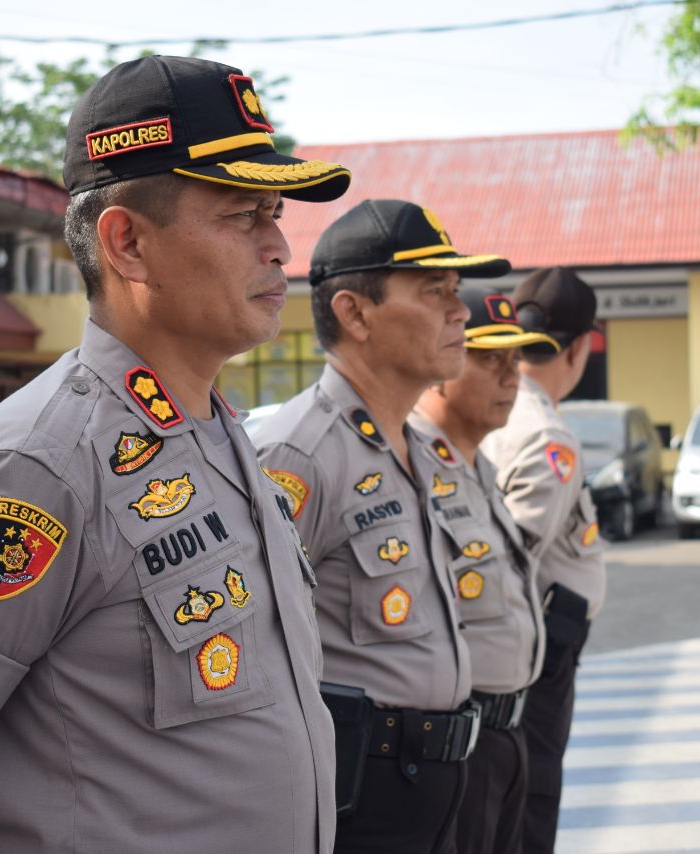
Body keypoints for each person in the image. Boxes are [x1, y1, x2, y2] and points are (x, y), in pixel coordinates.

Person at [0, 55, 352, 854]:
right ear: (127, 242)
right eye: (244, 215)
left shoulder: (220, 433)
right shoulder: (40, 465)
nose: (279, 246)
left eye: (276, 215)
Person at [253, 199, 509, 854]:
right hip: (365, 791)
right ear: (355, 313)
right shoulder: (300, 453)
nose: (461, 311)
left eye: (457, 291)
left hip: (442, 774)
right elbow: (257, 652)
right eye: (435, 292)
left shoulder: (419, 449)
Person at [408, 286, 557, 854]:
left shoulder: (475, 464)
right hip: (457, 744)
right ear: (442, 362)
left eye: (515, 359)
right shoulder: (410, 461)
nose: (510, 375)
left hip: (508, 731)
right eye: (489, 358)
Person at [479, 266, 608, 854]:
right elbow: (507, 567)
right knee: (529, 799)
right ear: (580, 348)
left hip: (526, 648)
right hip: (536, 652)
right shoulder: (544, 436)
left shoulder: (502, 415)